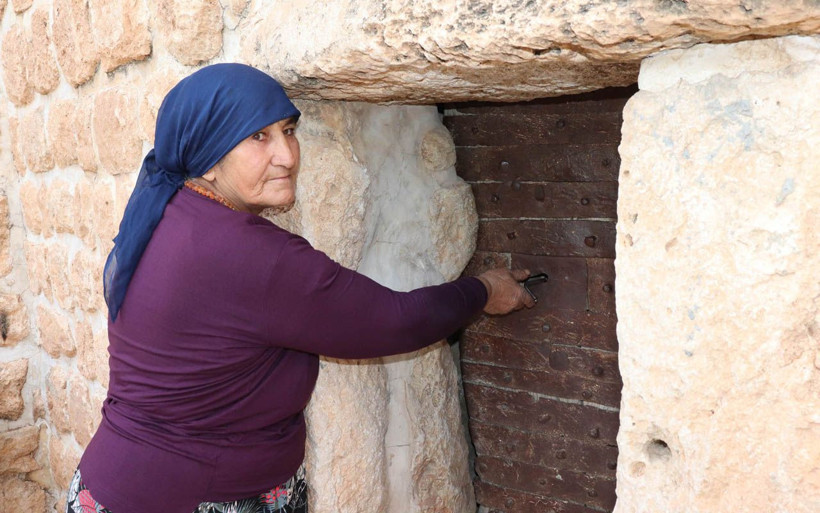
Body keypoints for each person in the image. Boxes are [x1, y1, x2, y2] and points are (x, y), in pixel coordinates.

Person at [67, 63, 534, 513]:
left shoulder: (161, 214)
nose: (288, 156)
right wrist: (484, 290)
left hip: (107, 486)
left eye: (289, 130)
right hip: (200, 496)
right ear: (208, 159)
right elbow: (397, 320)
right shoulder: (252, 254)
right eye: (258, 137)